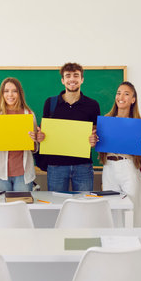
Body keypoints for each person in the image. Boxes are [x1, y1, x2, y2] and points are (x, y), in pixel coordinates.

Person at [35, 62, 100, 191]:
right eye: (68, 76)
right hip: (56, 166)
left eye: (76, 75)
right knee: (57, 206)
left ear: (82, 79)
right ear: (62, 80)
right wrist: (40, 136)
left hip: (83, 165)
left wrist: (95, 139)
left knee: (84, 205)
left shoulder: (92, 105)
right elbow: (43, 132)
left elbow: (96, 134)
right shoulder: (50, 103)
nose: (72, 79)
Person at [0, 77, 37, 191]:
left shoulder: (28, 114)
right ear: (2, 94)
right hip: (0, 173)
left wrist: (34, 139)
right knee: (2, 208)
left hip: (23, 174)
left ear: (19, 93)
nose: (10, 95)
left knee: (21, 207)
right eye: (6, 91)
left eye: (14, 91)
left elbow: (34, 148)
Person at [99, 81, 141, 227]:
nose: (121, 97)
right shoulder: (106, 120)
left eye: (126, 94)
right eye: (118, 93)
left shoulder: (139, 124)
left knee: (132, 209)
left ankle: (133, 244)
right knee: (111, 210)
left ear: (133, 99)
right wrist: (94, 140)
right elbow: (100, 145)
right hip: (109, 168)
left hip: (129, 167)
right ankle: (113, 244)